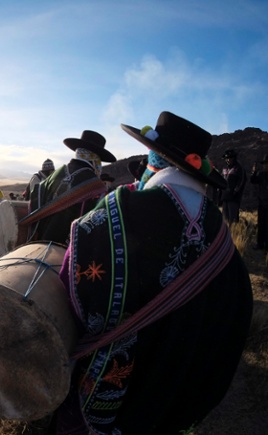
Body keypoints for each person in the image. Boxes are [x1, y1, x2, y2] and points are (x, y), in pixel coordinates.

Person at [50, 111, 252, 434]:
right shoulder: (224, 244)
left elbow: (70, 296)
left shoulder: (121, 212)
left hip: (111, 410)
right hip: (177, 411)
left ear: (155, 161)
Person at [22, 130, 116, 246]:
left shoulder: (54, 175)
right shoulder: (96, 186)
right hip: (68, 250)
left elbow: (36, 198)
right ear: (95, 159)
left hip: (40, 241)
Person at [220, 149, 246, 223]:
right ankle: (226, 233)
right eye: (226, 158)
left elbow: (241, 181)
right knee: (224, 219)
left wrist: (235, 192)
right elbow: (221, 181)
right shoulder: (224, 169)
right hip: (225, 197)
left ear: (234, 158)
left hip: (233, 198)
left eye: (230, 158)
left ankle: (234, 233)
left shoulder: (238, 168)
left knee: (233, 219)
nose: (228, 160)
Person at [250, 154, 268, 250]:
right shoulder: (261, 174)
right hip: (262, 203)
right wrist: (254, 172)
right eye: (264, 164)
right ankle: (260, 244)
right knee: (261, 224)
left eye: (266, 164)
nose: (265, 166)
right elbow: (253, 180)